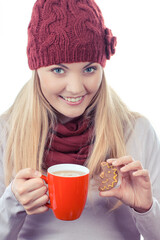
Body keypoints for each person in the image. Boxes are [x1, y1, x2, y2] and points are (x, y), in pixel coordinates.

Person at [0, 0, 160, 239]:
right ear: (36, 70)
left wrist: (146, 209)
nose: (75, 89)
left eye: (89, 69)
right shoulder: (6, 133)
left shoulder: (137, 131)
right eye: (58, 70)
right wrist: (11, 205)